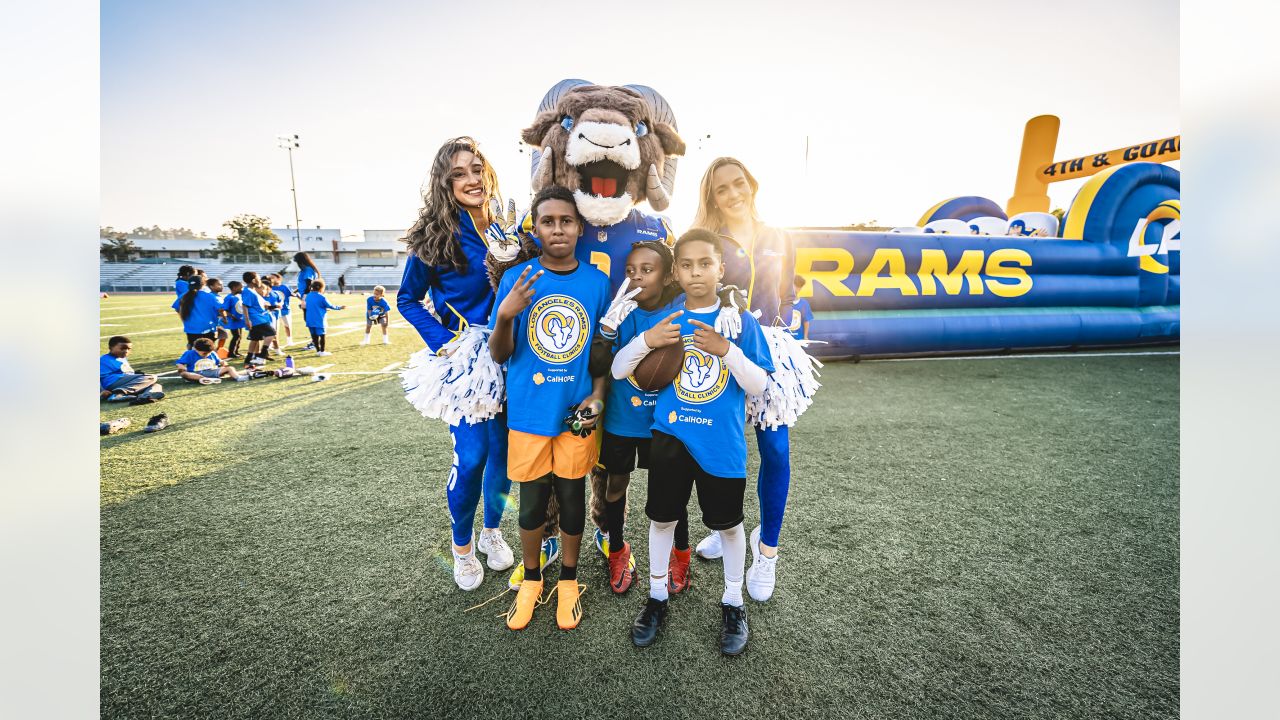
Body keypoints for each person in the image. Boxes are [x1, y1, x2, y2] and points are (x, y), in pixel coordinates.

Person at [616, 229, 773, 655]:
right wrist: (648, 341)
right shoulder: (666, 320)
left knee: (728, 526)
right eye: (686, 264)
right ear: (676, 271)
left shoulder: (740, 323)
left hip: (721, 444)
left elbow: (759, 384)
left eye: (705, 263)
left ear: (721, 268)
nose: (696, 272)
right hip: (671, 437)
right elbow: (617, 370)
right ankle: (657, 596)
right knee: (662, 520)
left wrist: (726, 350)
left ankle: (734, 601)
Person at [397, 136, 517, 592]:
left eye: (476, 169)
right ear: (444, 185)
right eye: (458, 174)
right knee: (472, 458)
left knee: (504, 459)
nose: (470, 180)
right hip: (467, 359)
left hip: (516, 355)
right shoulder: (435, 234)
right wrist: (445, 342)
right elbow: (407, 298)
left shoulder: (512, 226)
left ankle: (491, 532)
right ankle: (462, 547)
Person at [488, 185, 611, 631]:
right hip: (529, 412)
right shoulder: (516, 278)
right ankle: (533, 580)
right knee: (532, 502)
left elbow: (601, 348)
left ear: (579, 227)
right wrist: (506, 314)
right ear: (534, 229)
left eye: (566, 221)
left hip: (576, 412)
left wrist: (597, 395)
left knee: (574, 496)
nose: (557, 229)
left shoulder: (598, 283)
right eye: (548, 221)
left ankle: (569, 582)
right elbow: (499, 354)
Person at [684, 156, 798, 603]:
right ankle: (724, 526)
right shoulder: (709, 240)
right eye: (721, 189)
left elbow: (788, 293)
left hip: (770, 349)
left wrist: (785, 328)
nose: (733, 194)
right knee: (718, 447)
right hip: (720, 350)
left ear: (751, 184)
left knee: (775, 447)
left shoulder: (779, 236)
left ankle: (766, 550)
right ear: (711, 198)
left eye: (738, 184)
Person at [597, 240, 680, 594]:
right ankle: (617, 548)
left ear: (667, 275)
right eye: (630, 271)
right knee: (615, 485)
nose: (637, 277)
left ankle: (681, 551)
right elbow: (602, 366)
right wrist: (606, 332)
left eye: (648, 270)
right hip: (621, 418)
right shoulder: (621, 310)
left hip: (664, 420)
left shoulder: (680, 308)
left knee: (670, 491)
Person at [100, 336, 165, 403]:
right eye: (122, 348)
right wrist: (101, 391)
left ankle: (145, 397)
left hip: (125, 384)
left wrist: (135, 374)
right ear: (110, 348)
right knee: (151, 377)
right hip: (112, 383)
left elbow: (124, 371)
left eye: (129, 349)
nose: (126, 351)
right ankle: (117, 394)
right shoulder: (102, 360)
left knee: (155, 385)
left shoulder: (122, 359)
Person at [238, 272, 276, 366]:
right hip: (256, 318)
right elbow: (245, 305)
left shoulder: (252, 290)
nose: (260, 281)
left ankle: (248, 359)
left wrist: (267, 305)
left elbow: (256, 303)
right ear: (254, 280)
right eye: (258, 278)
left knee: (255, 339)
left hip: (259, 316)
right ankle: (262, 356)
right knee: (271, 333)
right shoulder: (248, 291)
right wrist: (247, 320)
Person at [178, 275, 223, 349]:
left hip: (190, 327)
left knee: (193, 346)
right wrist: (224, 318)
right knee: (208, 349)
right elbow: (220, 309)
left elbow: (177, 308)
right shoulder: (210, 296)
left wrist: (183, 319)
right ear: (204, 284)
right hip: (207, 327)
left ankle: (191, 358)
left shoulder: (183, 296)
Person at [175, 337, 247, 384]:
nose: (206, 355)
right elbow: (179, 363)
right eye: (204, 353)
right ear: (196, 349)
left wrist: (223, 363)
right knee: (184, 374)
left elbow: (219, 361)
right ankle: (204, 379)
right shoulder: (189, 353)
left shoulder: (212, 353)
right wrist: (181, 367)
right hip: (196, 373)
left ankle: (238, 377)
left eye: (208, 353)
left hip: (212, 371)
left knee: (230, 368)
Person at [302, 278, 344, 357]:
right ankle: (322, 351)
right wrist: (340, 307)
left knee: (314, 336)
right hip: (319, 320)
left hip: (310, 319)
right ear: (321, 288)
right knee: (322, 336)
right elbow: (330, 306)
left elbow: (311, 306)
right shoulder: (322, 297)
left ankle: (318, 351)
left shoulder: (308, 296)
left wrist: (323, 309)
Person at [222, 280, 247, 358]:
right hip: (233, 320)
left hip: (239, 320)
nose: (242, 289)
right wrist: (231, 316)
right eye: (240, 287)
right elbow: (224, 309)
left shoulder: (238, 296)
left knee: (239, 336)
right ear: (234, 288)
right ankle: (231, 353)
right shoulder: (229, 297)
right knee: (236, 336)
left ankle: (236, 351)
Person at [270, 273, 295, 347]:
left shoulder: (284, 287)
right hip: (274, 310)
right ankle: (271, 343)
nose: (271, 279)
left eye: (273, 277)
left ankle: (289, 340)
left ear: (278, 278)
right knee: (273, 327)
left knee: (287, 326)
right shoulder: (270, 287)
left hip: (285, 309)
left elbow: (292, 294)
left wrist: (299, 296)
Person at [787, 275, 813, 340]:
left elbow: (806, 322)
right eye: (795, 285)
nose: (797, 289)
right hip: (785, 339)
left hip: (798, 339)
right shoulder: (783, 303)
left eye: (799, 287)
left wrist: (805, 336)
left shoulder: (804, 304)